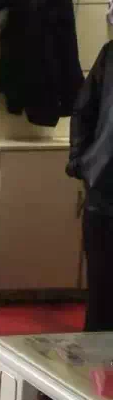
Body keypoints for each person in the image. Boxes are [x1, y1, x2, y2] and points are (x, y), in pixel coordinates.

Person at [68, 39, 113, 332]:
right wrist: (82, 162)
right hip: (104, 190)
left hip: (102, 186)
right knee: (101, 295)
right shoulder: (110, 54)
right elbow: (84, 110)